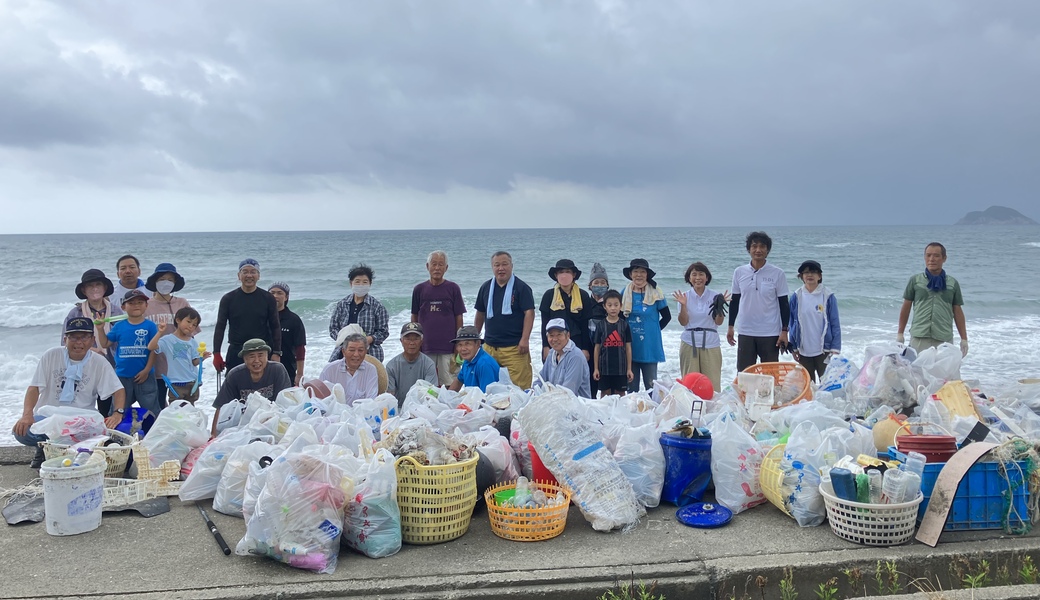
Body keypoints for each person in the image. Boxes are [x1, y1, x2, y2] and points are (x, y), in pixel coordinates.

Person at [12, 317, 126, 468]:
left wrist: (118, 413)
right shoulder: (51, 355)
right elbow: (34, 388)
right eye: (74, 337)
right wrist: (27, 415)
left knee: (111, 435)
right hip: (49, 417)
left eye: (84, 337)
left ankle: (70, 452)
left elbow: (118, 390)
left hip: (82, 419)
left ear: (92, 339)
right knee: (22, 432)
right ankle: (43, 448)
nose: (79, 342)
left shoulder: (99, 361)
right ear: (65, 339)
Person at [727, 232, 791, 372]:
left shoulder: (777, 273)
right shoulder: (739, 272)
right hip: (746, 331)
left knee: (770, 375)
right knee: (744, 374)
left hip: (770, 333)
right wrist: (730, 326)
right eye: (754, 246)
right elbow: (735, 301)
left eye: (762, 246)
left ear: (767, 250)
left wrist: (784, 331)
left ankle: (769, 395)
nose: (758, 250)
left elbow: (784, 304)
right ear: (748, 249)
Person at [473, 251, 535, 389]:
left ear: (511, 266)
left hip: (515, 349)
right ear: (492, 267)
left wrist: (525, 339)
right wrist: (474, 338)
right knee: (488, 388)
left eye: (504, 264)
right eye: (497, 265)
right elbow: (480, 313)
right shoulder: (486, 287)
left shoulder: (522, 288)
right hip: (489, 347)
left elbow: (529, 313)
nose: (501, 268)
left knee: (519, 389)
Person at [95, 290, 160, 417]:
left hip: (145, 376)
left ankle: (153, 435)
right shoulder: (119, 326)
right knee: (119, 411)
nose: (136, 305)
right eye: (131, 303)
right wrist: (100, 329)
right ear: (123, 307)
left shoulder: (151, 326)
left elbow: (154, 350)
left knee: (151, 411)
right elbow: (105, 343)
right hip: (122, 376)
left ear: (146, 305)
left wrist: (146, 370)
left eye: (140, 302)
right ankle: (117, 435)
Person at [898, 242, 969, 356]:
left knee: (944, 373)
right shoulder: (915, 280)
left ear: (944, 258)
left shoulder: (952, 283)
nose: (931, 259)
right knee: (917, 372)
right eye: (928, 255)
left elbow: (957, 311)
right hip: (920, 337)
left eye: (936, 255)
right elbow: (906, 307)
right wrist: (900, 333)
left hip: (943, 338)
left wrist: (964, 339)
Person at [213, 258, 282, 374]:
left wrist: (276, 352)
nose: (249, 275)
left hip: (261, 351)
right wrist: (216, 354)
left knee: (263, 389)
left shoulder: (268, 298)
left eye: (253, 272)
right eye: (245, 272)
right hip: (236, 350)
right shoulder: (228, 299)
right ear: (239, 276)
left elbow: (275, 326)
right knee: (234, 388)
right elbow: (220, 327)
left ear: (258, 276)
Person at [211, 338, 292, 435]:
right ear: (244, 359)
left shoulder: (278, 370)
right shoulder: (235, 375)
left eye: (261, 355)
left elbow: (286, 403)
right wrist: (214, 435)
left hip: (273, 422)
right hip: (244, 426)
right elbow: (221, 407)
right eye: (251, 356)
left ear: (267, 356)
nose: (257, 361)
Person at [411, 251, 466, 387]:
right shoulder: (419, 289)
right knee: (426, 384)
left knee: (450, 383)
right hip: (426, 346)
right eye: (434, 264)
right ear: (427, 266)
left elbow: (459, 317)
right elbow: (414, 317)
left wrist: (458, 344)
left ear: (446, 268)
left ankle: (450, 407)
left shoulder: (453, 288)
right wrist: (415, 341)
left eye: (441, 264)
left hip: (448, 347)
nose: (437, 268)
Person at [144, 263, 195, 406]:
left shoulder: (182, 303)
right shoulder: (146, 305)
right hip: (156, 366)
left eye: (170, 280)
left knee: (183, 406)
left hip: (180, 367)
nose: (166, 283)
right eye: (162, 279)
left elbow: (192, 332)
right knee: (158, 405)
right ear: (155, 281)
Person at [673, 262, 727, 392]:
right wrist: (684, 306)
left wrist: (719, 308)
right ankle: (691, 409)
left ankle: (712, 410)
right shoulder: (684, 296)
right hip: (689, 342)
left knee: (712, 383)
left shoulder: (715, 296)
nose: (698, 278)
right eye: (694, 274)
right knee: (690, 383)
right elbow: (683, 322)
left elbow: (718, 322)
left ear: (707, 277)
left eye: (701, 274)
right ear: (689, 278)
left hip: (710, 342)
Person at [621, 258, 670, 393]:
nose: (639, 275)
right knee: (631, 390)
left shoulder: (656, 293)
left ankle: (653, 413)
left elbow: (667, 317)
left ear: (647, 275)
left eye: (642, 271)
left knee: (651, 388)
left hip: (650, 348)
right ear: (630, 274)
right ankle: (633, 414)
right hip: (630, 347)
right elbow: (618, 319)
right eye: (635, 271)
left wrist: (653, 331)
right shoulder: (624, 293)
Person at [789, 260, 842, 382]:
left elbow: (835, 323)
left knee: (826, 384)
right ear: (801, 276)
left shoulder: (828, 296)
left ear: (820, 276)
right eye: (806, 272)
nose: (809, 275)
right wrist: (794, 347)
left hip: (823, 350)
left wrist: (835, 348)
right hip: (803, 351)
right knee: (808, 386)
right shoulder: (797, 296)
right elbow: (792, 323)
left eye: (813, 272)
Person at [66, 268, 123, 374]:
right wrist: (92, 351)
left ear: (105, 288)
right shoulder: (75, 314)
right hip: (84, 367)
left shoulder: (116, 312)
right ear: (84, 290)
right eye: (90, 286)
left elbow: (124, 340)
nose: (95, 288)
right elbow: (65, 344)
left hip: (116, 368)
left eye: (98, 284)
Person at [328, 263, 390, 362]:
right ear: (351, 283)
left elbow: (383, 332)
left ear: (370, 283)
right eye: (357, 282)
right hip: (344, 351)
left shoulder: (378, 307)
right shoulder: (342, 304)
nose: (361, 285)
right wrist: (344, 339)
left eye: (365, 282)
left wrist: (369, 339)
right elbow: (333, 328)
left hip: (370, 354)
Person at [148, 307, 210, 403]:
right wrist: (160, 332)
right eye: (188, 322)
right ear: (178, 320)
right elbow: (151, 347)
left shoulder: (192, 342)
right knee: (176, 410)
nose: (191, 326)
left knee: (190, 409)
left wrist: (202, 358)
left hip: (192, 382)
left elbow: (194, 362)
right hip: (176, 383)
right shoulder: (167, 340)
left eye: (194, 325)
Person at [539, 259, 594, 363]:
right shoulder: (549, 295)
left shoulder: (583, 295)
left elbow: (585, 325)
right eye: (561, 272)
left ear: (574, 275)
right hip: (555, 343)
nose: (564, 275)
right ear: (556, 275)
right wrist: (545, 346)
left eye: (568, 272)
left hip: (577, 343)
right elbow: (544, 324)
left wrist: (585, 348)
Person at [319, 329, 380, 404]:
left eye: (360, 350)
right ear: (343, 351)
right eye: (352, 350)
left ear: (366, 352)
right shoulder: (330, 369)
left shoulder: (371, 370)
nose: (356, 354)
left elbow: (371, 400)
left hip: (361, 413)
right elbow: (320, 399)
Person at [385, 322, 439, 407]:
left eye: (416, 339)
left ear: (422, 341)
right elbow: (390, 395)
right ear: (401, 341)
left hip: (422, 409)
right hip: (398, 408)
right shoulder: (391, 366)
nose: (412, 343)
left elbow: (432, 394)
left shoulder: (429, 364)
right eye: (408, 339)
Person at [593, 290, 633, 397]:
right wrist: (596, 368)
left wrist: (629, 369)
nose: (613, 308)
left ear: (621, 306)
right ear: (604, 306)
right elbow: (597, 348)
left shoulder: (624, 325)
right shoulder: (601, 325)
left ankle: (621, 414)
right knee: (604, 394)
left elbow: (628, 348)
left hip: (621, 368)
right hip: (604, 369)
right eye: (609, 305)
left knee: (621, 393)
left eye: (616, 305)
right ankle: (604, 414)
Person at [539, 318, 591, 397]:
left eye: (559, 335)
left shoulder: (575, 356)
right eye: (551, 336)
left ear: (568, 335)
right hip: (557, 401)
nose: (555, 339)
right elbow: (541, 379)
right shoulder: (551, 353)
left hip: (577, 406)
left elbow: (568, 391)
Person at [269, 282, 307, 386]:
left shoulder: (294, 320)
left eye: (279, 293)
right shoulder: (262, 318)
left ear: (286, 297)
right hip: (262, 369)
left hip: (287, 369)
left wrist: (299, 374)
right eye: (272, 293)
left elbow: (300, 349)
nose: (275, 296)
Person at [449, 326, 501, 392]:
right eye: (460, 345)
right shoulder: (468, 360)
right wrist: (445, 397)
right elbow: (458, 381)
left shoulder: (484, 364)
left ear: (478, 344)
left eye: (467, 344)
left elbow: (487, 396)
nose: (463, 348)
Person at [586, 262, 610, 397]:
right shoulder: (584, 302)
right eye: (596, 282)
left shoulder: (611, 303)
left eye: (603, 283)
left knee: (607, 386)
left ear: (607, 285)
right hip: (589, 349)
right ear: (590, 285)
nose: (599, 286)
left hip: (607, 349)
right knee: (590, 382)